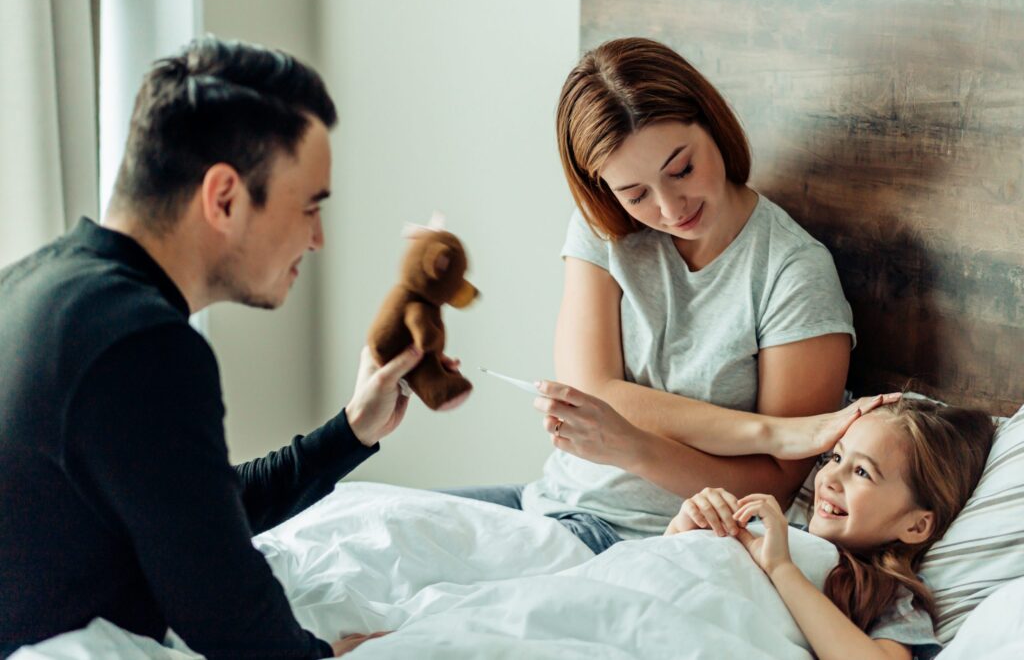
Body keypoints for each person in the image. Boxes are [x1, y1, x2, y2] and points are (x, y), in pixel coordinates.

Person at [0, 37, 447, 658]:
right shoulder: (142, 343)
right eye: (310, 207)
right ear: (225, 197)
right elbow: (226, 611)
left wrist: (350, 432)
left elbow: (197, 517)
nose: (317, 239)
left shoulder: (35, 285)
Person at [444, 36, 856, 554]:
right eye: (635, 193)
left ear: (711, 122)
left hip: (649, 539)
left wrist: (633, 446)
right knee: (343, 529)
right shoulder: (603, 231)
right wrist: (762, 431)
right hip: (551, 502)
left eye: (681, 169)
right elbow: (593, 388)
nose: (669, 208)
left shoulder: (792, 272)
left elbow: (776, 484)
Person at [665, 398, 996, 660]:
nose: (829, 479)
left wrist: (781, 568)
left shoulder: (887, 594)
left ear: (917, 525)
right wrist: (686, 526)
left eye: (863, 472)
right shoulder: (773, 528)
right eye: (836, 458)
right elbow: (672, 580)